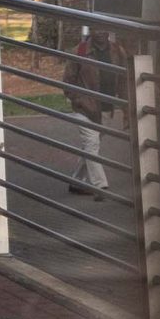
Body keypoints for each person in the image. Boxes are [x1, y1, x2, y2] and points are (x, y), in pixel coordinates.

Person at [64, 26, 124, 196]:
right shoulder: (80, 50)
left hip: (106, 109)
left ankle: (76, 182)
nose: (99, 32)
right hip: (85, 108)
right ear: (91, 31)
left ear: (108, 31)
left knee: (90, 148)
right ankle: (100, 186)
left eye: (103, 28)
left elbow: (123, 80)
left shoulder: (117, 50)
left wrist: (126, 107)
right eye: (96, 29)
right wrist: (78, 100)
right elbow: (68, 80)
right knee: (92, 145)